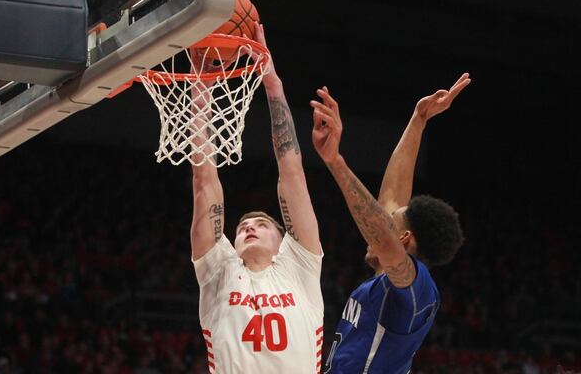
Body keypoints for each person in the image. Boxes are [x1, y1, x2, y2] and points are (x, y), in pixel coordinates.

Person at [310, 74, 470, 373]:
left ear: (405, 239)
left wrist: (335, 161)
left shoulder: (418, 291)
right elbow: (393, 197)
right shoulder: (387, 280)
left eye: (390, 222)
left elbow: (383, 236)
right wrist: (418, 118)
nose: (382, 219)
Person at [189, 24, 324, 373]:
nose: (249, 228)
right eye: (242, 227)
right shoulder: (220, 270)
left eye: (261, 224)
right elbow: (204, 181)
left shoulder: (300, 266)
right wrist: (201, 89)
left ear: (284, 242)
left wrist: (272, 83)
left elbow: (293, 172)